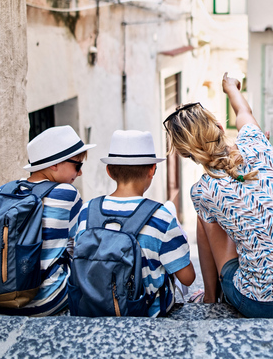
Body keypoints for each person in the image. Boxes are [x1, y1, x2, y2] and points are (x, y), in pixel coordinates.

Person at [164, 73, 273, 318]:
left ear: (185, 154)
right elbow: (243, 109)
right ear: (221, 127)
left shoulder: (202, 190)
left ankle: (211, 297)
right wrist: (230, 86)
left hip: (263, 304)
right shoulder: (256, 140)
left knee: (206, 218)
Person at [76, 130, 196, 317]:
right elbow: (188, 279)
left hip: (92, 308)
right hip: (147, 313)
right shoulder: (161, 217)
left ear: (109, 171)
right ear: (152, 170)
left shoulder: (86, 211)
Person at [0, 125, 94, 316]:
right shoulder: (67, 194)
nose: (79, 173)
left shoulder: (4, 190)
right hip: (45, 300)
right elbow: (78, 247)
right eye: (77, 165)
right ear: (54, 164)